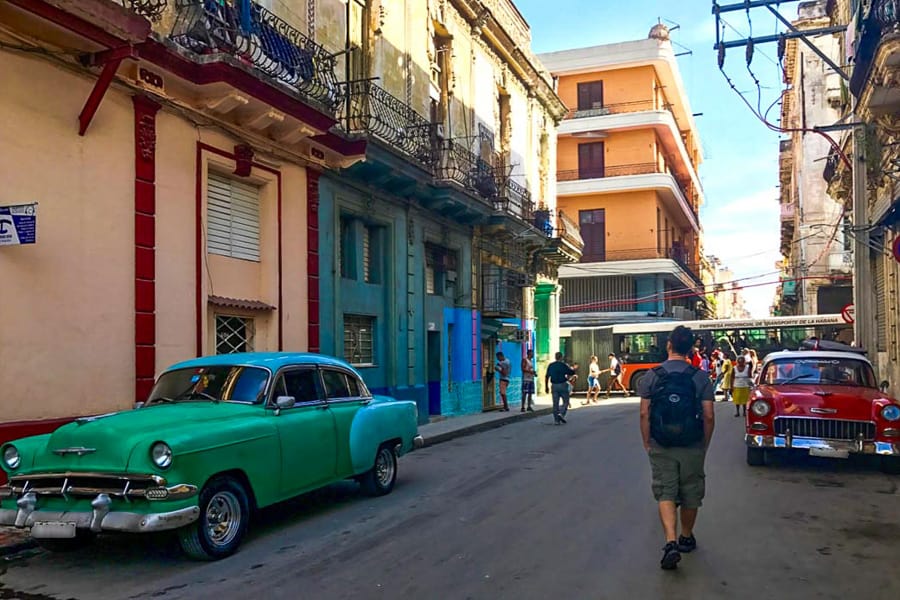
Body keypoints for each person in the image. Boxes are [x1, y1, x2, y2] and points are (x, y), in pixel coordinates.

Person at [637, 325, 715, 571]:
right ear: (691, 348)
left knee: (666, 491)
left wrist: (647, 441)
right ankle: (686, 537)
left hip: (661, 443)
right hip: (692, 443)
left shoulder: (652, 375)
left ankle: (670, 541)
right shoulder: (699, 377)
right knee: (691, 490)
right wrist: (704, 444)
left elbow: (643, 413)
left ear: (669, 345)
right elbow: (709, 416)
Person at [544, 352, 576, 425]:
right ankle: (561, 414)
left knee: (555, 403)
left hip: (554, 385)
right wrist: (573, 369)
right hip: (562, 384)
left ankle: (556, 420)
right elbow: (571, 372)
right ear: (561, 357)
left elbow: (547, 376)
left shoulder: (551, 365)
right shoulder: (563, 365)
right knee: (566, 401)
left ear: (555, 357)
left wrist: (546, 387)